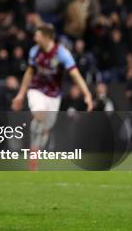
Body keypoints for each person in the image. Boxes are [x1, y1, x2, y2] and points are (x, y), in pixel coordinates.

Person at [11, 24, 93, 170]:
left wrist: (87, 94)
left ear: (47, 37)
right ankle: (33, 156)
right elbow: (29, 73)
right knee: (39, 115)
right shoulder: (34, 51)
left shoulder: (62, 54)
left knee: (46, 129)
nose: (35, 37)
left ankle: (36, 150)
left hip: (54, 95)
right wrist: (21, 94)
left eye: (38, 35)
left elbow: (75, 75)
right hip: (36, 90)